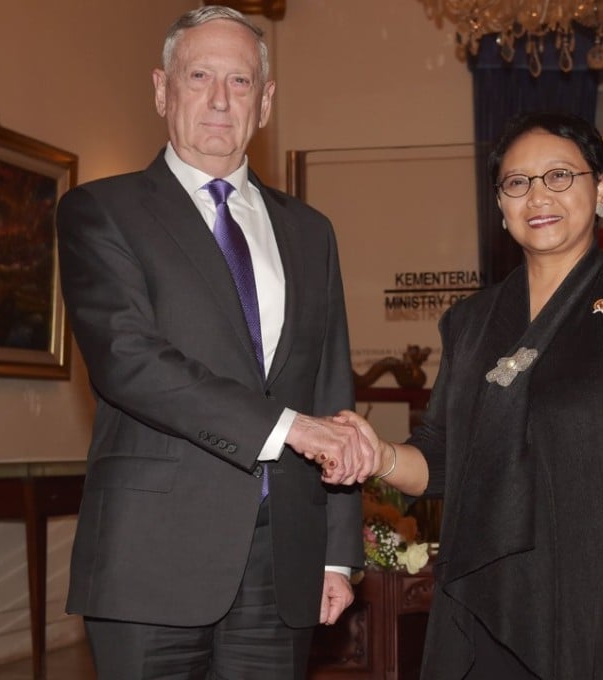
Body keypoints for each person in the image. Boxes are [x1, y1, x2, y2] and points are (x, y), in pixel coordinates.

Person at [55, 6, 378, 678]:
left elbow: (330, 391)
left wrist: (336, 552)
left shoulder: (310, 231)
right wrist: (289, 428)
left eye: (239, 81)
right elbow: (129, 361)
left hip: (282, 564)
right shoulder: (101, 211)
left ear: (265, 102)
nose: (219, 99)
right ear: (161, 89)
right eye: (199, 75)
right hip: (150, 562)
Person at [340, 111, 603, 679]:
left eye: (560, 176)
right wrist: (380, 456)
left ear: (602, 188)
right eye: (518, 183)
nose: (539, 196)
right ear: (500, 204)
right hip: (483, 609)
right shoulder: (470, 322)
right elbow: (441, 461)